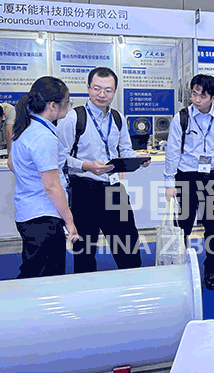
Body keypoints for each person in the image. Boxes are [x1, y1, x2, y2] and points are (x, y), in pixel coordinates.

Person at [57, 66, 150, 274]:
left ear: (114, 91)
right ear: (88, 88)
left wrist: (137, 160)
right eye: (97, 88)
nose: (102, 94)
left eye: (108, 90)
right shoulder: (73, 118)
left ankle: (133, 286)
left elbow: (125, 149)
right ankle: (87, 289)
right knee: (85, 251)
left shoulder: (118, 118)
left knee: (128, 246)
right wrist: (85, 165)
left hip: (114, 190)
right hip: (83, 190)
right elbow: (59, 157)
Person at [163, 74, 214, 290]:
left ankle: (211, 270)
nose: (197, 99)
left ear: (213, 98)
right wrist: (169, 182)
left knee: (213, 228)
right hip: (186, 177)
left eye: (203, 96)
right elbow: (172, 151)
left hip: (212, 178)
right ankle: (180, 266)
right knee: (183, 226)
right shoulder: (182, 118)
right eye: (194, 94)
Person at [7, 77, 79, 278]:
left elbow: (11, 163)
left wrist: (31, 181)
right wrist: (70, 221)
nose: (69, 106)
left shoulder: (26, 127)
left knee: (35, 269)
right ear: (53, 106)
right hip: (44, 216)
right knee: (44, 276)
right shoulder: (43, 137)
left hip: (29, 212)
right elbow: (52, 186)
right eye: (67, 102)